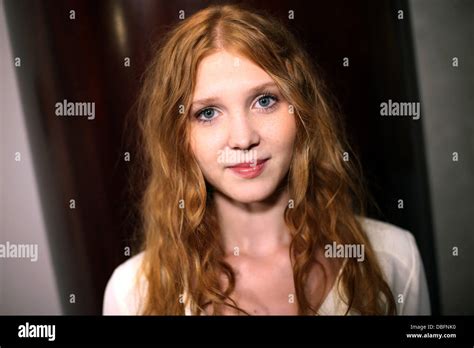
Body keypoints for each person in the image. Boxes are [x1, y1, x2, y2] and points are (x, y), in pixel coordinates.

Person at [103, 3, 430, 315]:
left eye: (264, 100)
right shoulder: (132, 293)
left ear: (302, 112)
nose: (243, 138)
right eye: (207, 113)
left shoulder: (395, 259)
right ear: (178, 136)